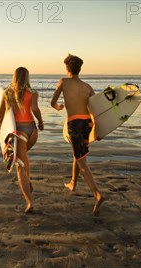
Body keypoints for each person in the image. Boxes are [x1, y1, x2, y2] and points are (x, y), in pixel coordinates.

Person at [51, 54, 103, 215]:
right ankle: (73, 183)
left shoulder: (63, 82)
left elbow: (53, 102)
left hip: (74, 123)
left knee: (81, 161)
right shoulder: (87, 87)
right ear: (79, 69)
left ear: (67, 69)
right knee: (78, 153)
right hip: (87, 124)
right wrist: (99, 130)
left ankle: (97, 194)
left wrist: (59, 107)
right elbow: (95, 110)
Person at [0, 67, 44, 213]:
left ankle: (29, 202)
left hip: (18, 132)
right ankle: (27, 182)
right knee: (23, 158)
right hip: (32, 132)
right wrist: (40, 122)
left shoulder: (8, 93)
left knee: (19, 166)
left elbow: (0, 114)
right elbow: (34, 109)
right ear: (27, 78)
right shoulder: (33, 93)